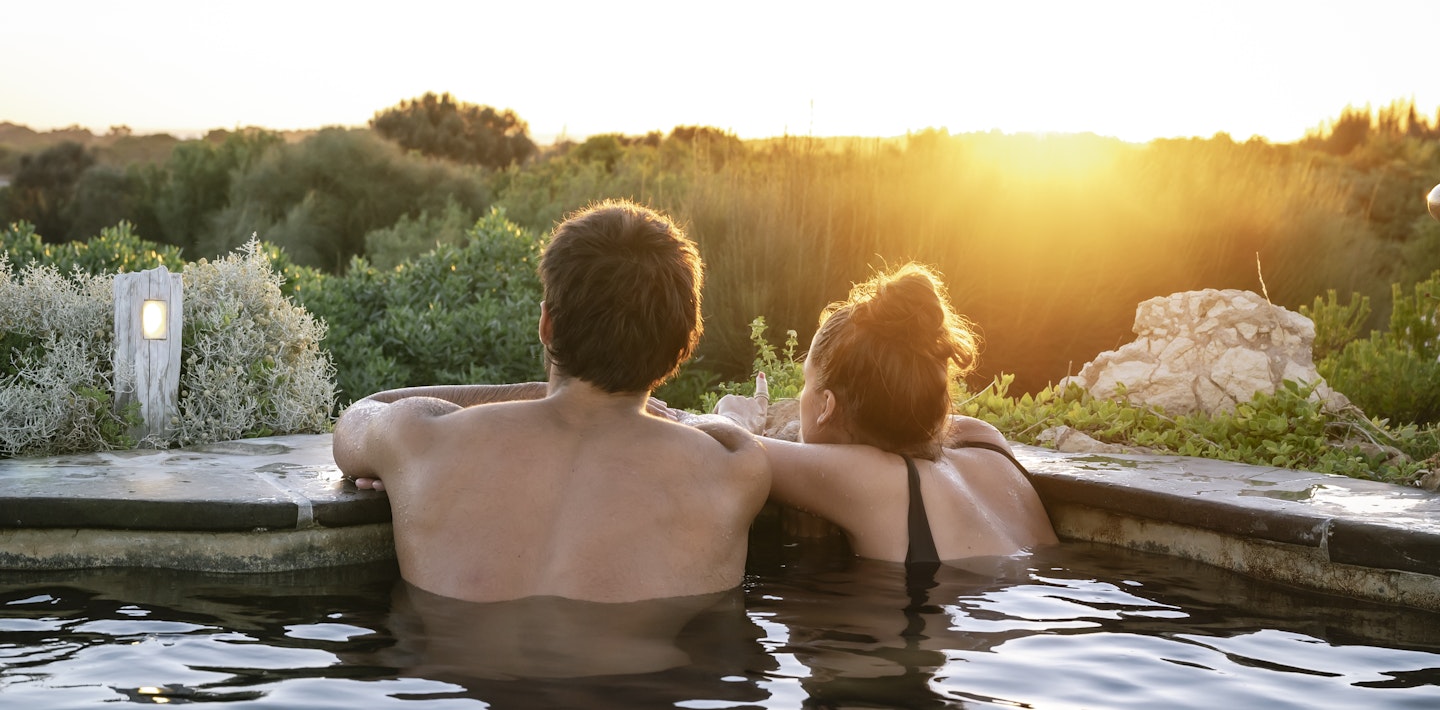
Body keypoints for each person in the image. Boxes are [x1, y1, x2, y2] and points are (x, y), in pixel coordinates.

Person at [333, 199, 771, 604]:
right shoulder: (734, 470)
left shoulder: (421, 438)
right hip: (638, 689)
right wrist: (714, 418)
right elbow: (724, 433)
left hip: (453, 686)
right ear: (683, 346)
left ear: (547, 324)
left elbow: (361, 411)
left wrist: (521, 395)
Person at [712, 262, 1056, 573]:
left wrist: (734, 416)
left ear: (826, 407)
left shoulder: (877, 481)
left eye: (806, 383)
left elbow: (732, 451)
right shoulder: (984, 439)